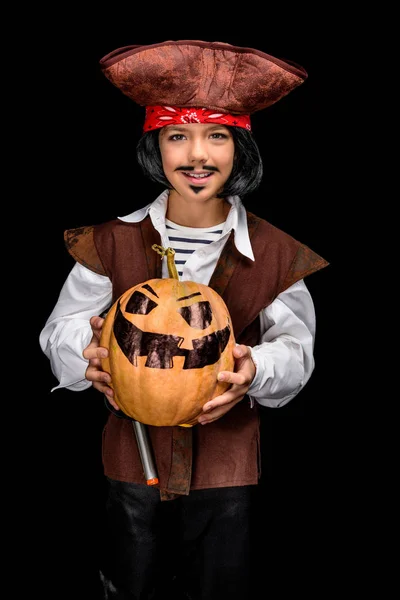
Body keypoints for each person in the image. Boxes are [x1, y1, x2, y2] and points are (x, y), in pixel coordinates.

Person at [39, 40, 329, 600]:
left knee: (218, 583)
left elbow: (297, 348)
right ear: (157, 147)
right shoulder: (110, 240)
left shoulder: (274, 252)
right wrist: (90, 353)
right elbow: (61, 328)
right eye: (178, 137)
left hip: (228, 470)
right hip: (130, 461)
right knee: (130, 581)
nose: (198, 156)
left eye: (216, 136)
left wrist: (254, 369)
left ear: (240, 148)